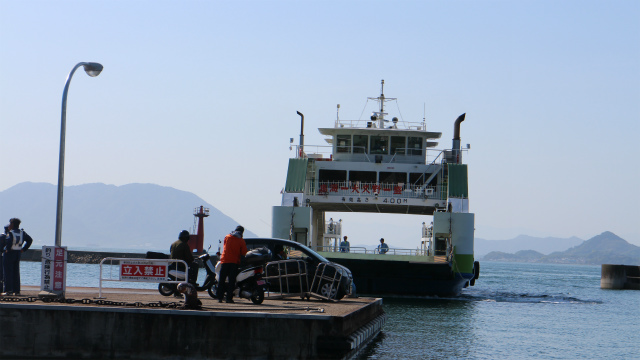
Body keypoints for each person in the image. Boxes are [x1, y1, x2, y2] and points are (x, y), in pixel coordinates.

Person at [3, 218, 33, 296]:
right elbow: (30, 240)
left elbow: (9, 242)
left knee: (8, 272)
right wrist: (23, 249)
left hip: (10, 254)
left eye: (10, 223)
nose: (9, 225)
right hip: (18, 253)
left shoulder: (11, 233)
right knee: (16, 272)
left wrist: (6, 249)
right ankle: (16, 291)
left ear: (12, 224)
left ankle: (8, 290)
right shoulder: (22, 232)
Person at [217, 225, 247, 303]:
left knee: (221, 280)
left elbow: (224, 246)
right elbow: (244, 252)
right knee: (231, 281)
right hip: (234, 262)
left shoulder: (227, 237)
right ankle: (228, 298)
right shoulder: (241, 240)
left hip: (224, 260)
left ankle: (219, 298)